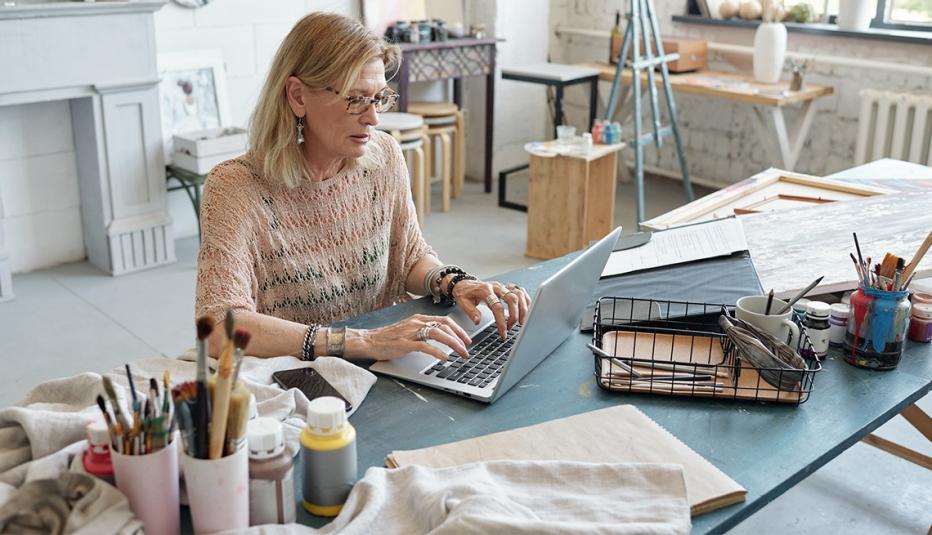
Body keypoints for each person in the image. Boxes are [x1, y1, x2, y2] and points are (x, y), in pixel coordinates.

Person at [195, 12, 530, 363]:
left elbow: (409, 256)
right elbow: (218, 327)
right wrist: (361, 341)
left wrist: (455, 283)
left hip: (383, 363)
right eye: (355, 99)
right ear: (297, 96)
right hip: (295, 384)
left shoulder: (383, 155)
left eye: (379, 98)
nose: (373, 118)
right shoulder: (235, 187)